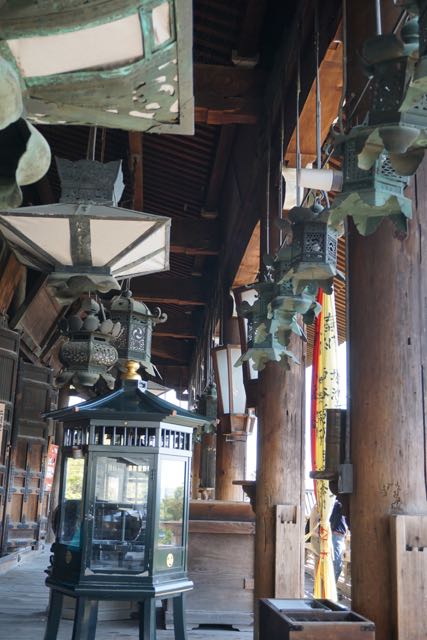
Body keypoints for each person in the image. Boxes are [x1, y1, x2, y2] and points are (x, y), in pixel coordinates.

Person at [330, 498, 348, 582]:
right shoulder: (339, 504)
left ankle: (329, 587)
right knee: (337, 566)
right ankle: (331, 587)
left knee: (335, 565)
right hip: (337, 536)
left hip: (338, 536)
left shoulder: (336, 504)